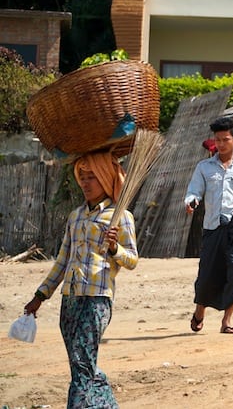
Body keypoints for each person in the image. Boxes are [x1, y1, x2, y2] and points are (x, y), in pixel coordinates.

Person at [23, 151, 138, 408]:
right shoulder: (76, 216)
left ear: (106, 179)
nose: (85, 183)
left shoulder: (121, 217)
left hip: (97, 300)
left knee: (82, 366)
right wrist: (40, 296)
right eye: (82, 177)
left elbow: (131, 260)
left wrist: (114, 249)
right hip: (70, 299)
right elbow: (63, 261)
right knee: (81, 364)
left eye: (92, 178)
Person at [184, 116, 233, 334]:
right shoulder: (204, 167)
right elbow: (194, 191)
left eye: (225, 139)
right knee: (207, 275)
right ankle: (200, 312)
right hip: (212, 229)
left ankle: (227, 321)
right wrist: (191, 202)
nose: (221, 144)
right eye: (217, 139)